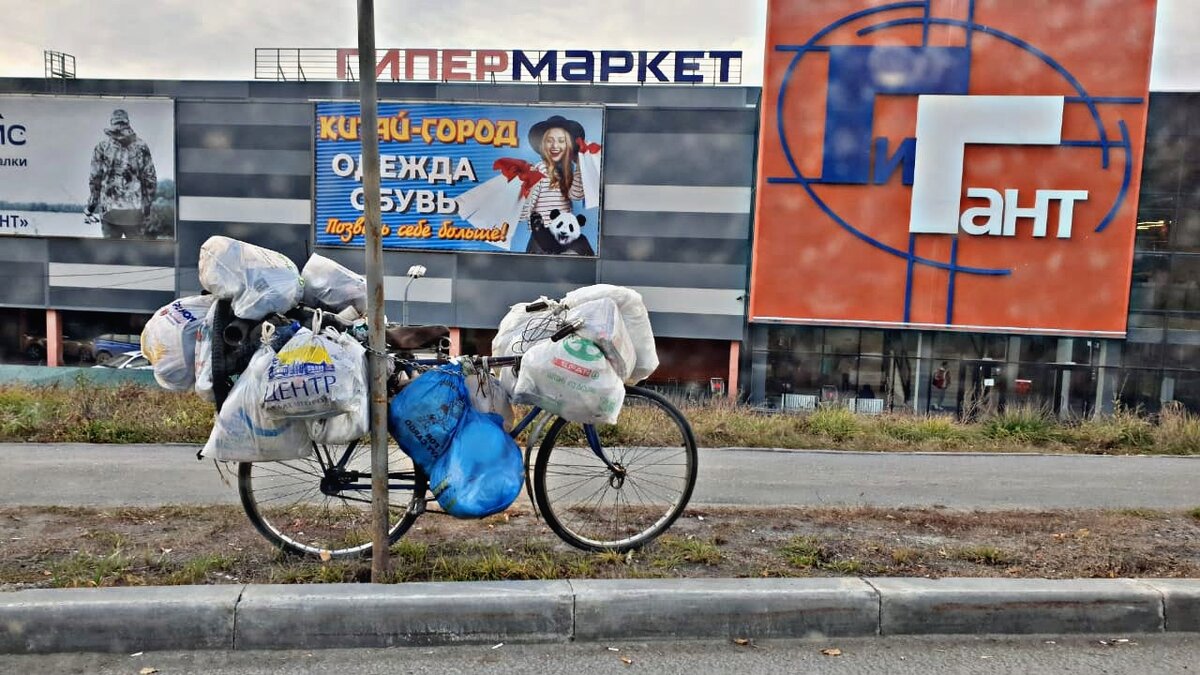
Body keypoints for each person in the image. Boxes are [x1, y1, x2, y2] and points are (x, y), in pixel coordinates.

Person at [85, 109, 157, 240]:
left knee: (111, 257)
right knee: (136, 257)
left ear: (112, 122)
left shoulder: (101, 147)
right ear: (128, 122)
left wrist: (91, 207)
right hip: (135, 213)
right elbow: (150, 180)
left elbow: (95, 180)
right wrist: (146, 210)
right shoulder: (141, 147)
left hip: (109, 213)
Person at [519, 115, 585, 253]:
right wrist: (526, 187)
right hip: (542, 237)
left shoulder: (568, 170)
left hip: (564, 235)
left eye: (561, 141)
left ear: (568, 145)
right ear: (543, 145)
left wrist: (580, 164)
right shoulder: (540, 170)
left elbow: (576, 195)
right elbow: (523, 213)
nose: (555, 146)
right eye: (550, 141)